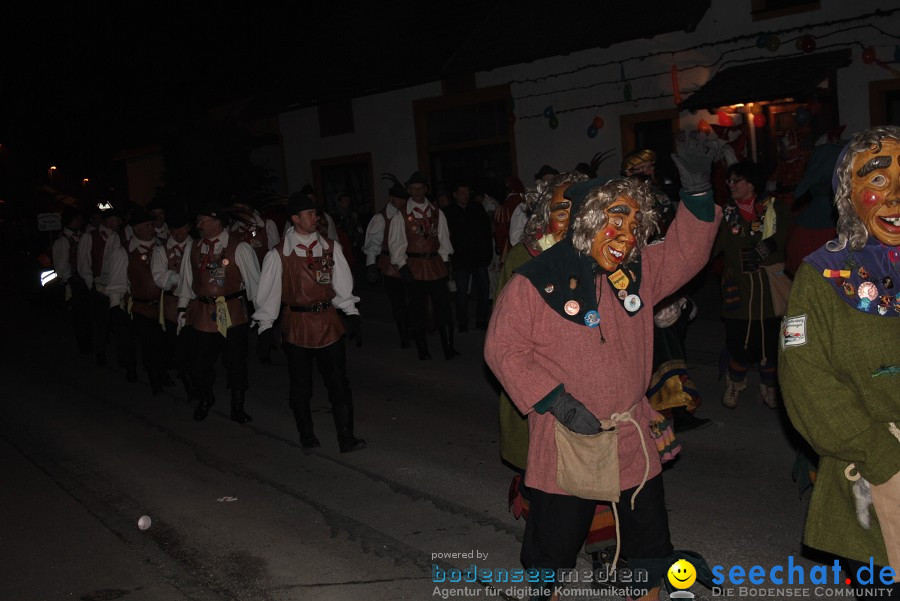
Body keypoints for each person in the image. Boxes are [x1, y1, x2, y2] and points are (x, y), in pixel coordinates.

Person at [485, 132, 722, 601]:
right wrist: (555, 400)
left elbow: (685, 253)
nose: (629, 236)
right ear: (587, 222)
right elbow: (503, 349)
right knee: (551, 547)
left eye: (636, 225)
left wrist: (697, 192)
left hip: (632, 431)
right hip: (566, 435)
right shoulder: (533, 281)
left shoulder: (637, 270)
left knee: (650, 543)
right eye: (617, 221)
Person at [780, 125, 900, 599]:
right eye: (876, 180)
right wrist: (878, 451)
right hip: (875, 472)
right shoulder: (824, 275)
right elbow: (805, 376)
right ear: (847, 196)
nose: (896, 195)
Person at [253, 192, 366, 453]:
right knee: (301, 385)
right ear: (295, 218)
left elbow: (341, 286)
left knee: (339, 382)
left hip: (328, 323)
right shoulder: (278, 254)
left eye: (316, 213)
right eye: (310, 214)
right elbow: (268, 295)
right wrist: (265, 327)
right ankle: (306, 433)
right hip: (297, 326)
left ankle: (346, 437)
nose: (317, 218)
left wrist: (351, 313)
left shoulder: (330, 247)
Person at [623, 148, 712, 432]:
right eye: (643, 169)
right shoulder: (627, 202)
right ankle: (662, 411)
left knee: (672, 346)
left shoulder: (659, 197)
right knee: (657, 350)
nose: (649, 172)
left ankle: (675, 408)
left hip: (667, 279)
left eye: (651, 167)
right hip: (643, 281)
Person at [711, 160, 792, 409]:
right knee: (740, 342)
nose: (731, 185)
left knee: (770, 341)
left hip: (769, 288)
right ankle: (735, 383)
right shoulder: (725, 214)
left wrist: (764, 250)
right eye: (729, 180)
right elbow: (712, 248)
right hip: (739, 289)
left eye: (736, 180)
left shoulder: (773, 208)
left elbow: (783, 236)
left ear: (751, 183)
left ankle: (769, 387)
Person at [176, 202, 260, 423]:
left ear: (217, 222)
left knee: (236, 362)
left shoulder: (239, 248)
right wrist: (182, 310)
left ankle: (237, 406)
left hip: (231, 312)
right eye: (198, 221)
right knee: (199, 363)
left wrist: (262, 315)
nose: (198, 225)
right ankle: (206, 397)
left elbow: (254, 285)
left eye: (203, 220)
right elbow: (186, 282)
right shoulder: (193, 248)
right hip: (202, 313)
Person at [388, 170, 457, 360]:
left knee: (443, 307)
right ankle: (422, 349)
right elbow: (396, 245)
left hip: (435, 264)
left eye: (420, 189)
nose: (417, 192)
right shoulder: (400, 216)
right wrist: (403, 267)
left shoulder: (436, 212)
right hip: (414, 266)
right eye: (413, 189)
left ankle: (448, 347)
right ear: (409, 190)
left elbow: (443, 239)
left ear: (425, 189)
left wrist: (445, 264)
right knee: (417, 309)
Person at [105, 207, 169, 393]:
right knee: (148, 343)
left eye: (151, 225)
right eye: (148, 225)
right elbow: (117, 282)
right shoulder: (124, 252)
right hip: (140, 306)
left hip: (163, 304)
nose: (152, 228)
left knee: (163, 342)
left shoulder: (161, 246)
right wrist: (115, 306)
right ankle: (154, 377)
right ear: (136, 229)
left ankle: (162, 372)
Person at [364, 174, 412, 348]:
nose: (401, 202)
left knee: (412, 299)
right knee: (398, 301)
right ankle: (404, 335)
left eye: (404, 199)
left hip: (410, 263)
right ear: (391, 198)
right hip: (390, 265)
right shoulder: (380, 218)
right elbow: (373, 244)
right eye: (398, 199)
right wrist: (371, 265)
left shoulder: (408, 214)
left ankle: (412, 328)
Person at [152, 205, 194, 400]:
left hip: (196, 305)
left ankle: (196, 377)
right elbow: (159, 278)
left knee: (195, 345)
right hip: (172, 306)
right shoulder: (161, 251)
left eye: (182, 228)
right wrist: (180, 277)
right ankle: (188, 383)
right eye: (175, 229)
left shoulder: (198, 246)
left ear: (188, 228)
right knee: (179, 346)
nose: (179, 233)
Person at [77, 207, 125, 367]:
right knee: (100, 323)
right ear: (108, 220)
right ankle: (100, 353)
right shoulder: (89, 237)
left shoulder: (116, 238)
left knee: (118, 322)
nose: (119, 222)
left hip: (115, 286)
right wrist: (94, 286)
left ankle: (121, 356)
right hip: (98, 288)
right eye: (117, 219)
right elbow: (84, 266)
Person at [443, 183, 493, 332]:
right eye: (462, 192)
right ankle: (462, 322)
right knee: (462, 292)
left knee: (484, 290)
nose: (465, 195)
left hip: (478, 257)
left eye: (467, 192)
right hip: (460, 258)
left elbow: (486, 232)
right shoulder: (448, 212)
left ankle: (481, 320)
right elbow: (445, 236)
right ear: (455, 194)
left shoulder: (477, 208)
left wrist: (487, 254)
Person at [52, 207, 91, 354]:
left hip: (85, 278)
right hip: (75, 281)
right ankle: (83, 343)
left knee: (86, 313)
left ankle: (88, 340)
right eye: (78, 218)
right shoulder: (63, 240)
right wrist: (69, 282)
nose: (81, 221)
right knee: (80, 315)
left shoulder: (82, 236)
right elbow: (61, 267)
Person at [229, 198, 280, 267]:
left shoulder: (267, 225)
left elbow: (276, 254)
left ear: (247, 207)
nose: (236, 211)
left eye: (239, 207)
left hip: (265, 271)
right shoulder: (233, 231)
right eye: (234, 208)